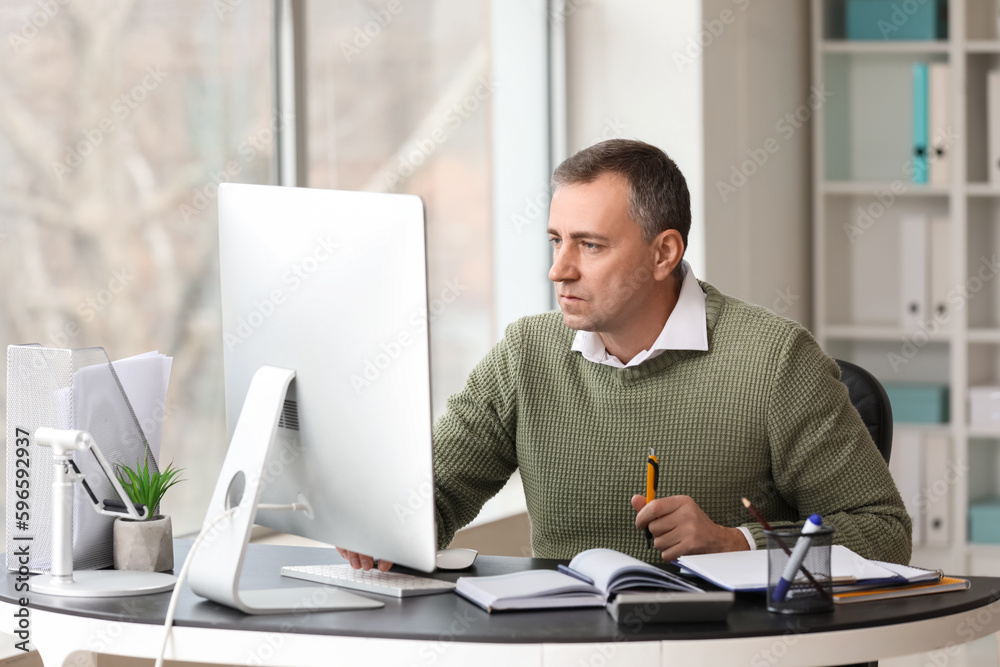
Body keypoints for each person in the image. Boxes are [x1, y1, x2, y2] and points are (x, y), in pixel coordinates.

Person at [338, 139, 912, 572]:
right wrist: (383, 528)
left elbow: (883, 533)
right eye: (556, 241)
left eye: (589, 245)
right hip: (564, 646)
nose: (559, 269)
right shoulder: (526, 353)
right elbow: (433, 498)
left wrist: (735, 543)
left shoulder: (775, 360)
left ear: (664, 252)